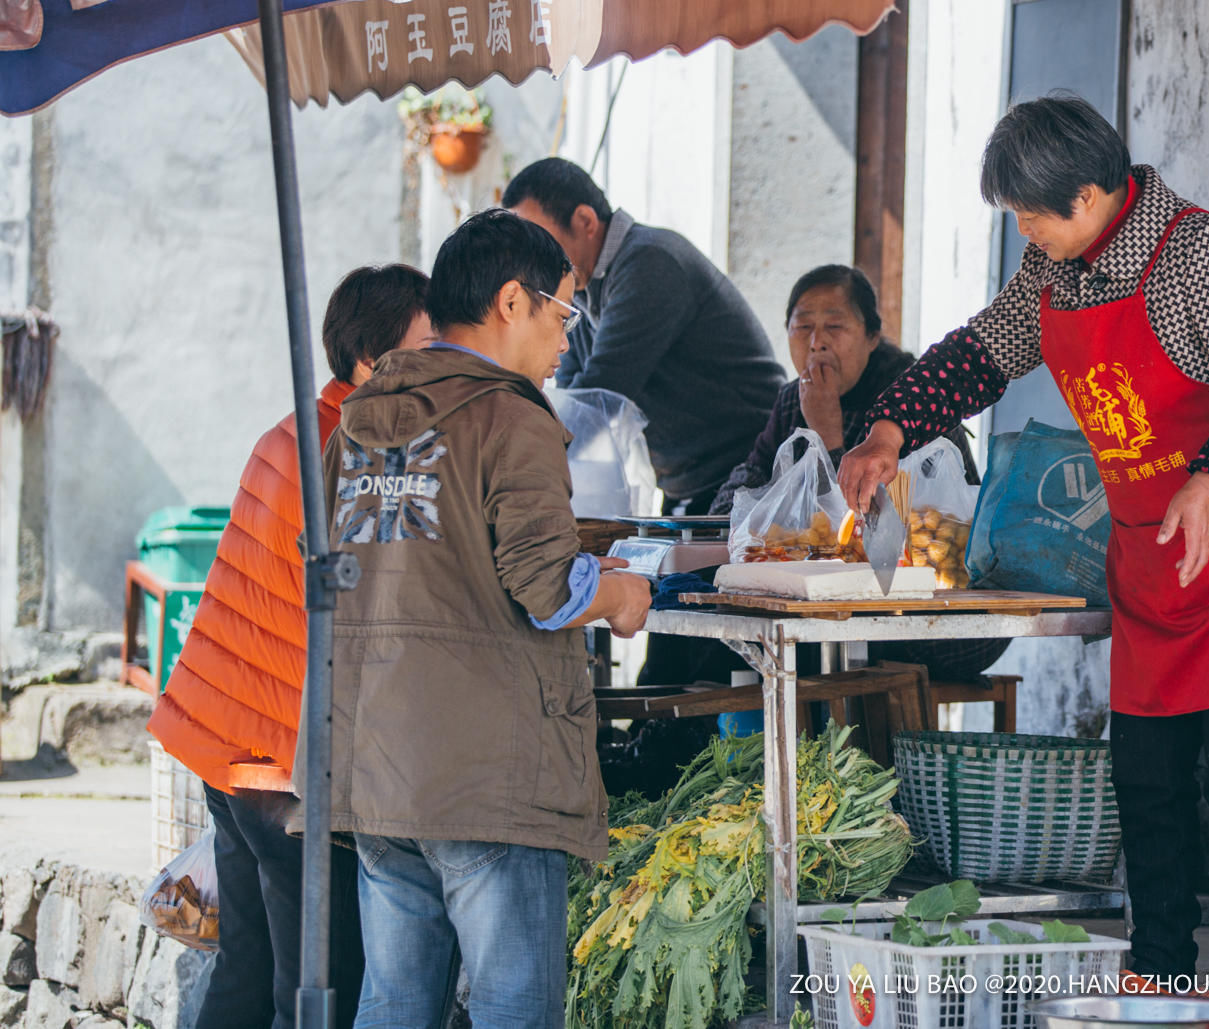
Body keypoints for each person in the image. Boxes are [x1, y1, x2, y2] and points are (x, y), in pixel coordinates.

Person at [838, 94, 1209, 999]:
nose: (1023, 230)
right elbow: (979, 354)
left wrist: (1207, 478)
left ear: (1094, 192)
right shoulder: (1052, 271)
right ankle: (1162, 978)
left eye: (1030, 213)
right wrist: (888, 430)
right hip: (1152, 557)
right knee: (1145, 775)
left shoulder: (1203, 251)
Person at [324, 210, 652, 1029]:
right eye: (563, 312)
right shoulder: (512, 417)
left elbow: (337, 569)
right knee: (514, 1006)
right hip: (482, 772)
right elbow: (544, 586)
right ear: (513, 301)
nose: (566, 340)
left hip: (373, 762)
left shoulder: (359, 419)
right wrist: (618, 595)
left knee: (395, 1000)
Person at [148, 263, 433, 1029]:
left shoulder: (299, 429)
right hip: (281, 771)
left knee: (247, 973)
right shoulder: (357, 452)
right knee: (316, 990)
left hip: (224, 747)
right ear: (371, 362)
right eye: (428, 346)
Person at [712, 264, 1003, 682]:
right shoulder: (795, 400)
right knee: (723, 622)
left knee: (803, 645)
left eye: (835, 326)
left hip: (938, 612)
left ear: (871, 337)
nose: (817, 344)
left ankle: (825, 742)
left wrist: (829, 436)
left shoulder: (911, 401)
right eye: (803, 327)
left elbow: (879, 532)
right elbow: (740, 492)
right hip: (835, 602)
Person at [501, 157, 784, 513]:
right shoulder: (582, 289)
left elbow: (599, 398)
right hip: (688, 485)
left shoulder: (650, 263)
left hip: (748, 479)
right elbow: (573, 399)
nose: (530, 258)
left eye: (539, 239)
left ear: (586, 222)